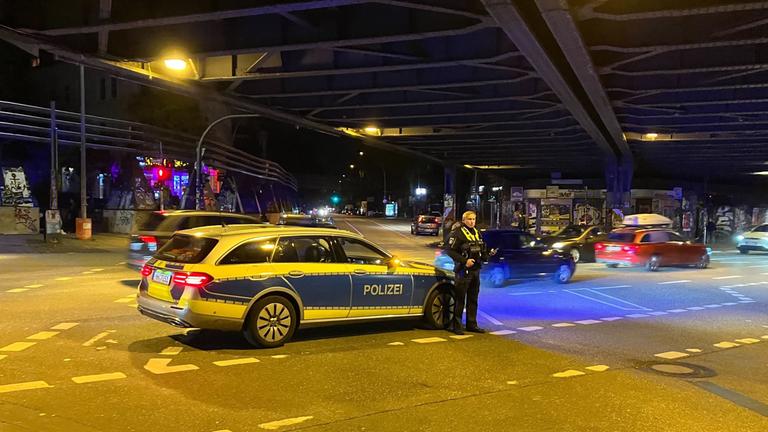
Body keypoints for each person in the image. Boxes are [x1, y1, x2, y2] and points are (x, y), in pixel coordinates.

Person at [444, 210, 495, 335]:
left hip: (476, 270)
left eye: (473, 219)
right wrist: (464, 261)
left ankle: (472, 324)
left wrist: (487, 255)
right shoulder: (458, 233)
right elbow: (450, 250)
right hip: (463, 271)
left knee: (473, 299)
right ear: (464, 220)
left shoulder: (477, 232)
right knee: (460, 299)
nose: (472, 222)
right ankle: (456, 326)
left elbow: (481, 249)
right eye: (469, 219)